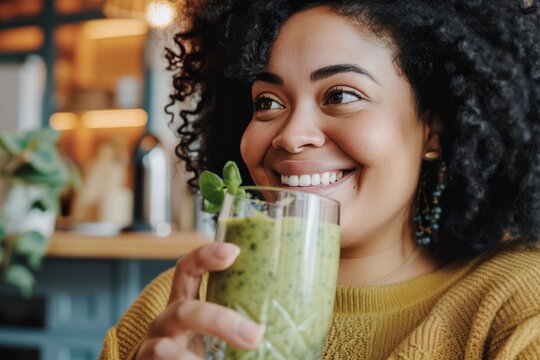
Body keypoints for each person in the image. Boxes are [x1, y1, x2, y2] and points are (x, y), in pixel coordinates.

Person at [100, 0, 540, 358]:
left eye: (342, 95)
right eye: (268, 102)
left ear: (434, 129)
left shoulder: (517, 307)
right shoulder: (175, 311)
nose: (290, 136)